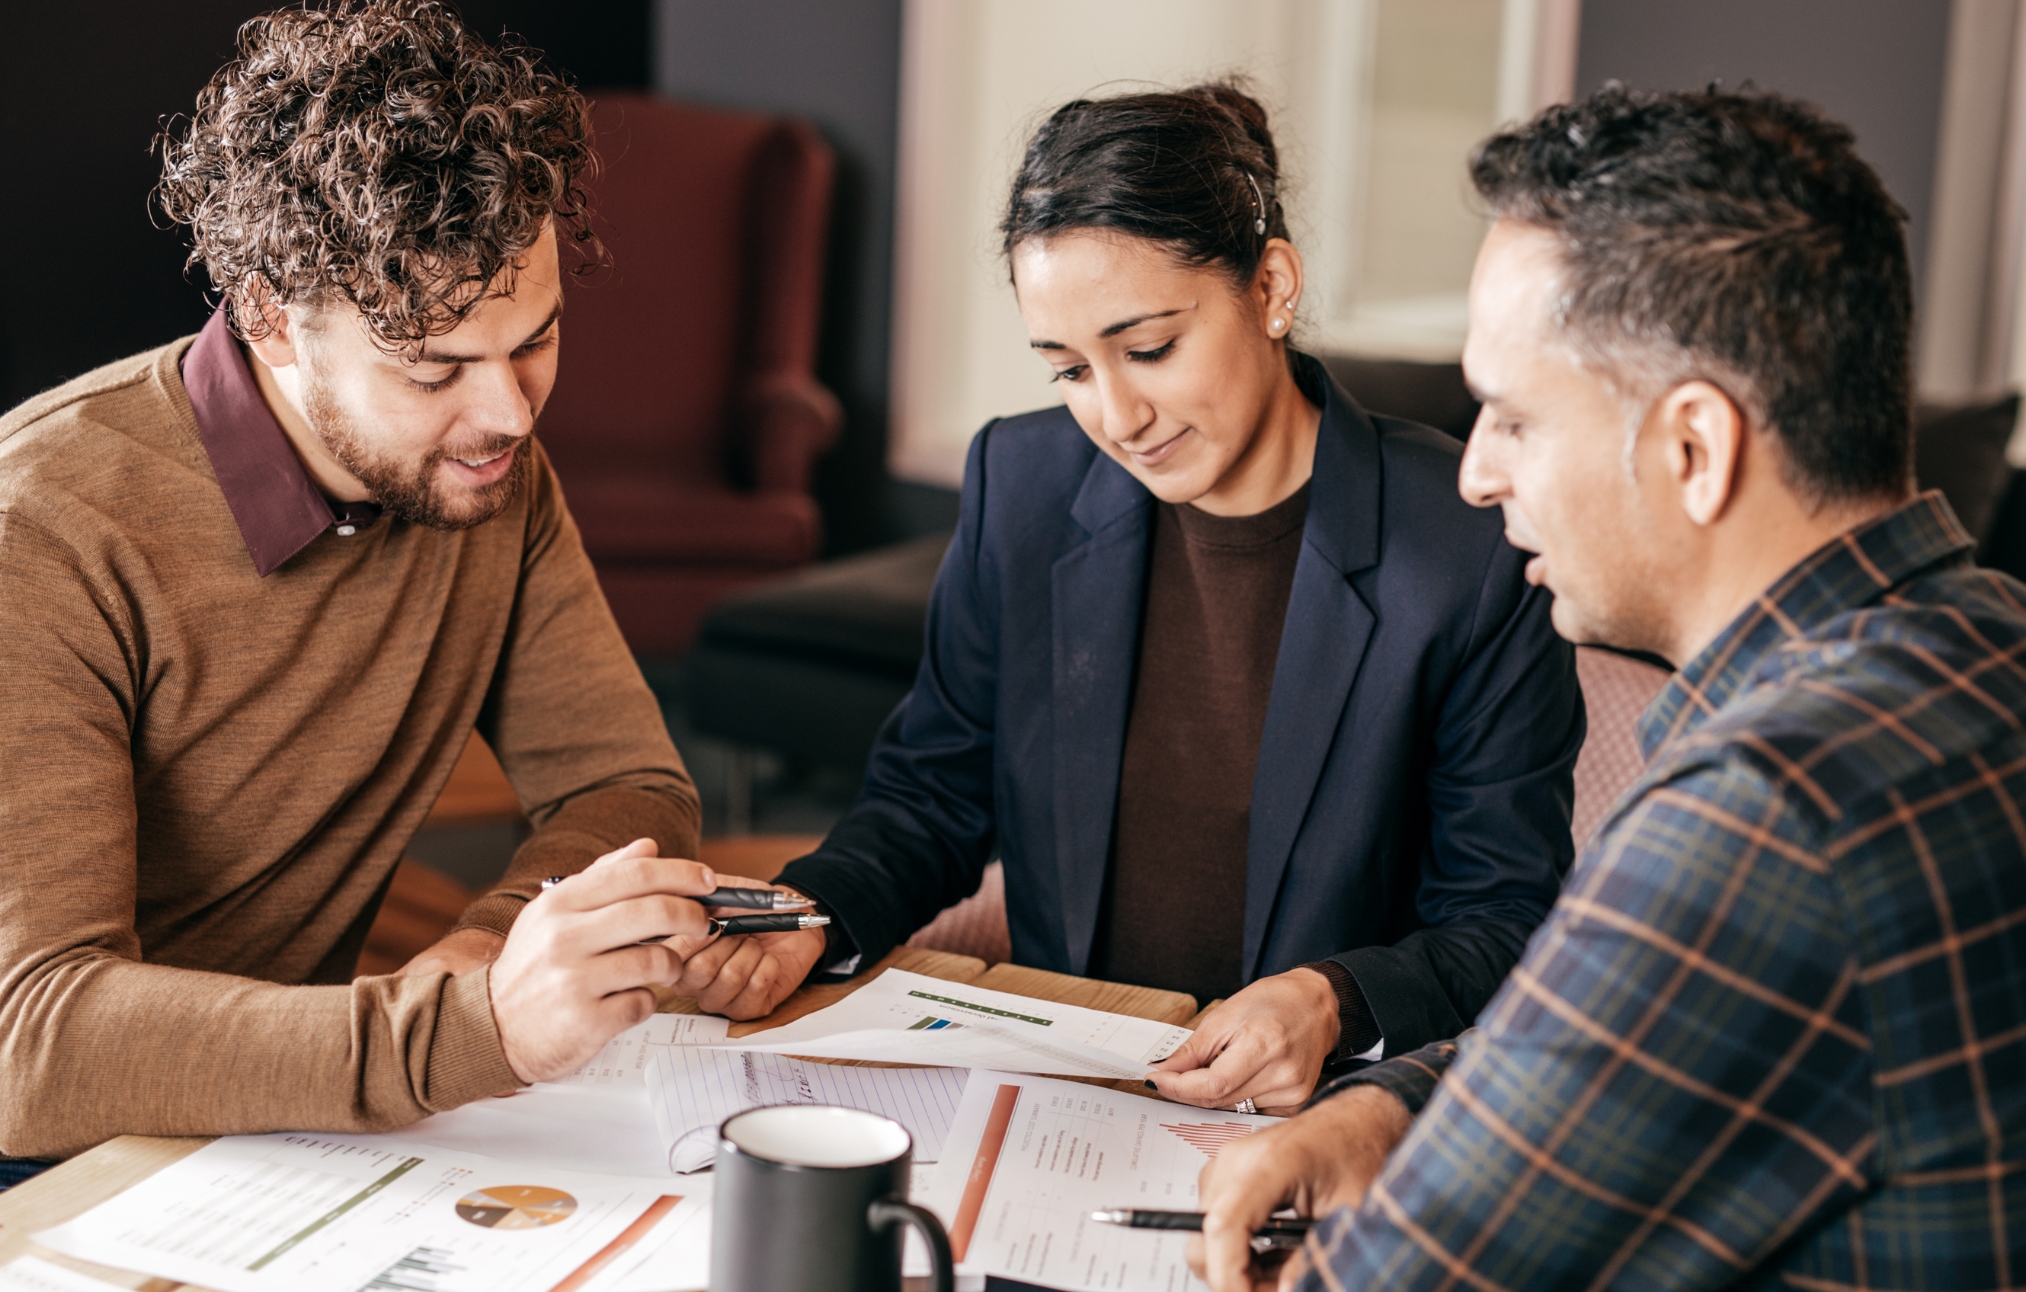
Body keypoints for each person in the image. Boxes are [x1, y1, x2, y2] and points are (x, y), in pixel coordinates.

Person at [1191, 87, 2026, 1290]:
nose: (1478, 476)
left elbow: (1394, 1278)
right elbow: (1636, 1039)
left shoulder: (1773, 806)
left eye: (1512, 418)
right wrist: (1392, 1106)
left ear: (1693, 448)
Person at [0, 4, 756, 1283]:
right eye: (433, 368)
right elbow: (38, 1047)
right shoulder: (36, 518)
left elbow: (624, 785)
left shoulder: (493, 479)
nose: (506, 411)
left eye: (536, 341)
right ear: (268, 312)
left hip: (255, 1130)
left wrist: (494, 942)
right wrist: (469, 1024)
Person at [669, 83, 1584, 1115]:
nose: (1116, 414)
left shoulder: (1465, 542)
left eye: (1148, 348)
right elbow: (932, 792)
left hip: (1323, 1115)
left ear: (1271, 285)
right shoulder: (1023, 485)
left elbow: (1505, 911)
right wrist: (816, 909)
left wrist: (1335, 998)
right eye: (1068, 369)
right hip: (1070, 1091)